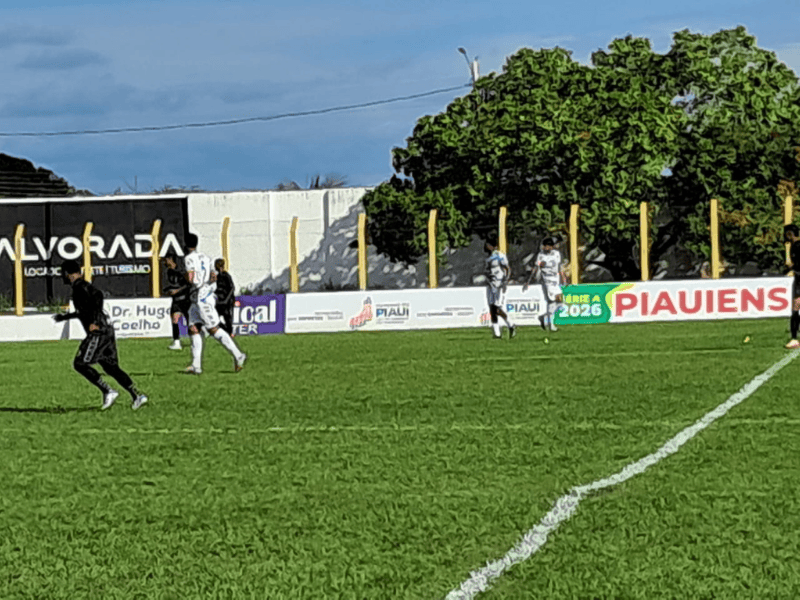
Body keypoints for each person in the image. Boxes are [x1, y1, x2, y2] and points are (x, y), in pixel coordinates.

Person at [53, 260, 148, 410]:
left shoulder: (80, 287)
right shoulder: (79, 287)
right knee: (110, 367)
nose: (62, 277)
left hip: (99, 331)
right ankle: (137, 396)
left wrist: (95, 322)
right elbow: (83, 311)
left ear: (68, 274)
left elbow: (98, 296)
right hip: (107, 330)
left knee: (80, 363)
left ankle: (108, 391)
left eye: (63, 274)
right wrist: (65, 317)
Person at [182, 233, 247, 374]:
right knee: (193, 328)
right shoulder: (206, 258)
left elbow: (192, 279)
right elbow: (214, 276)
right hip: (198, 298)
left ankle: (238, 355)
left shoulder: (188, 259)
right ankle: (196, 365)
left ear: (186, 244)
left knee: (213, 329)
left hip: (202, 298)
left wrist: (189, 279)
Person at [524, 237, 566, 332]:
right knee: (552, 301)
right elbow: (535, 268)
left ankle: (544, 317)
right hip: (547, 281)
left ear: (552, 246)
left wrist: (563, 277)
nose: (547, 248)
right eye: (545, 246)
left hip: (556, 280)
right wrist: (528, 281)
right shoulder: (541, 255)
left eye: (549, 246)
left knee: (560, 302)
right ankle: (551, 325)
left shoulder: (556, 254)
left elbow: (559, 266)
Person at [484, 237, 516, 339]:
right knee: (492, 308)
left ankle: (510, 324)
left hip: (499, 284)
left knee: (497, 308)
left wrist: (505, 281)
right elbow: (487, 271)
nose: (487, 246)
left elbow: (507, 268)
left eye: (489, 244)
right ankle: (497, 333)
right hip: (491, 285)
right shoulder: (488, 258)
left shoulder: (500, 256)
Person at [163, 252, 191, 350]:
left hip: (185, 299)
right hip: (176, 300)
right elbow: (170, 285)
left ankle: (195, 339)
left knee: (189, 321)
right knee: (174, 320)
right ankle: (177, 342)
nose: (166, 262)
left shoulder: (181, 271)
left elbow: (188, 285)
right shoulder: (168, 272)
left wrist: (177, 290)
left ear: (171, 260)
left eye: (167, 259)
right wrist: (168, 291)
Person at [784, 224, 800, 349]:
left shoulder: (796, 247)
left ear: (790, 233)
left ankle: (794, 338)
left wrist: (791, 267)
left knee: (795, 308)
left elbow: (796, 265)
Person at [214, 258, 235, 336]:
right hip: (218, 301)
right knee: (215, 319)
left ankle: (229, 333)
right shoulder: (215, 277)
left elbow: (232, 288)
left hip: (226, 302)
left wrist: (227, 299)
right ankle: (226, 331)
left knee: (228, 318)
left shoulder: (226, 276)